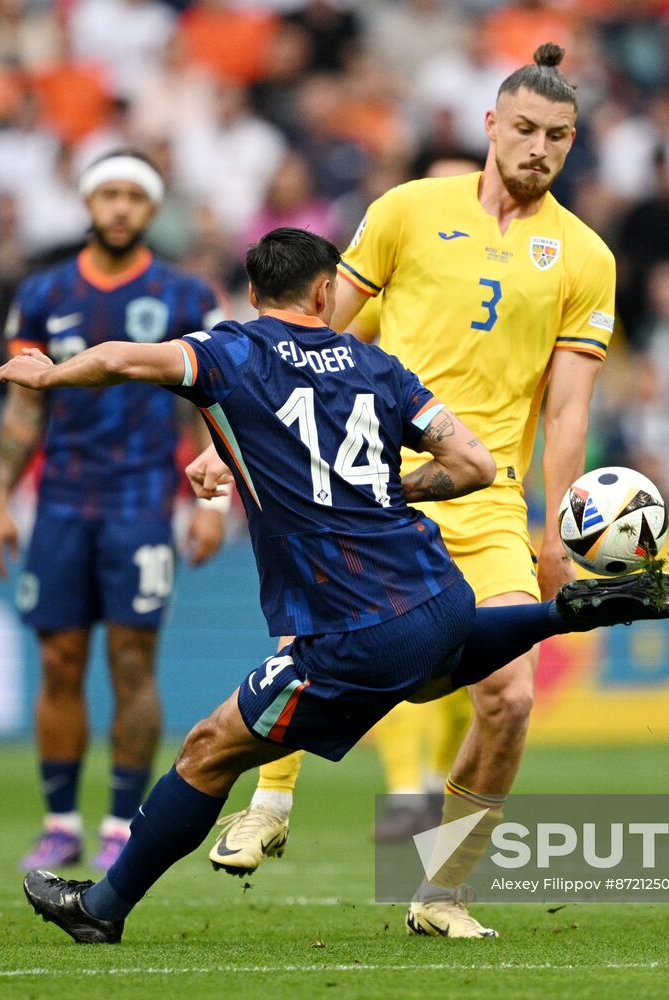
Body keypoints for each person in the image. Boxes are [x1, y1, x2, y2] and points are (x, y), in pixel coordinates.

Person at [0, 227, 669, 945]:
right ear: (326, 293)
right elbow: (476, 465)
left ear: (256, 293)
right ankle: (567, 613)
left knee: (209, 747)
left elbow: (122, 360)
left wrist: (49, 375)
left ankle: (101, 906)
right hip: (440, 594)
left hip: (349, 629)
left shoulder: (230, 350)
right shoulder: (378, 366)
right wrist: (391, 489)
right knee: (428, 671)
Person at [189, 42, 616, 938]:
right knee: (320, 649)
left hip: (488, 497)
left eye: (560, 138)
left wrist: (562, 532)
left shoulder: (584, 256)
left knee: (511, 699)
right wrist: (231, 455)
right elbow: (298, 349)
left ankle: (441, 890)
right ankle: (268, 800)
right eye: (527, 129)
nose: (540, 149)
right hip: (370, 489)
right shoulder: (407, 211)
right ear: (490, 125)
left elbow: (569, 406)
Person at [0, 150, 227, 873]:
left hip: (143, 501)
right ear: (89, 203)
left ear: (151, 209)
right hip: (60, 500)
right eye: (107, 194)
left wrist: (211, 502)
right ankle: (60, 820)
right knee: (59, 661)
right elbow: (25, 406)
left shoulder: (186, 296)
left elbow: (210, 401)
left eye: (133, 196)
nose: (119, 207)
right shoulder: (43, 293)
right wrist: (1, 498)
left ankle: (121, 820)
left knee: (132, 661)